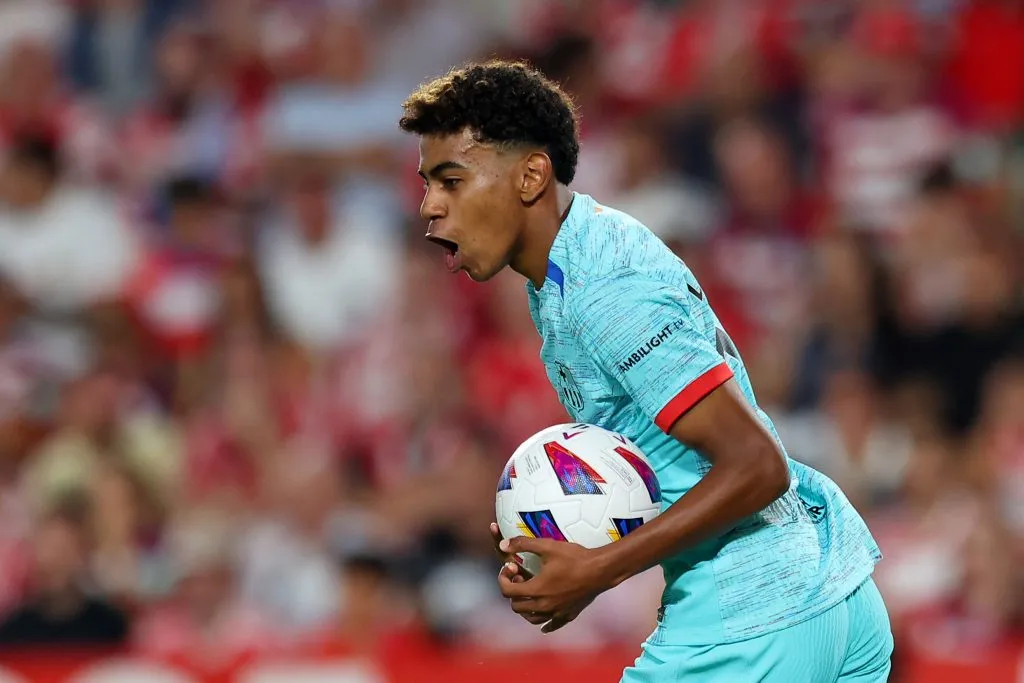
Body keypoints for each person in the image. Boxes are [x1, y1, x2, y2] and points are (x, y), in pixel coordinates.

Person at [397, 60, 892, 682]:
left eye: (451, 180)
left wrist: (598, 571)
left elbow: (757, 465)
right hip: (823, 593)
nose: (429, 207)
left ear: (530, 175)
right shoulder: (572, 267)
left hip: (753, 615)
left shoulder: (604, 290)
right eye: (426, 184)